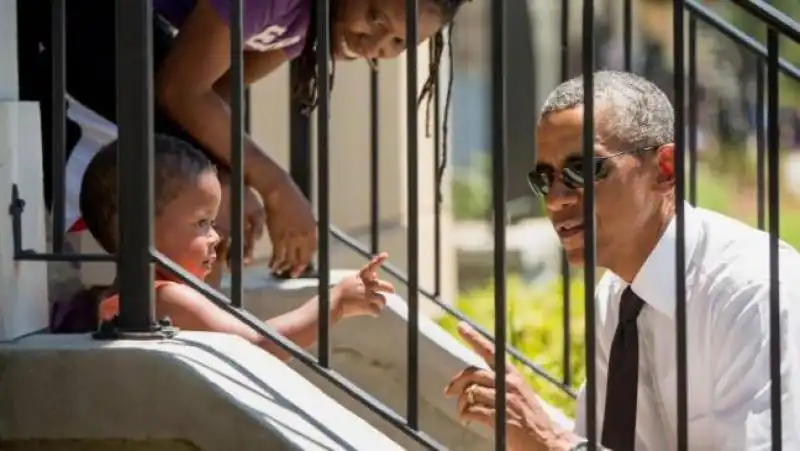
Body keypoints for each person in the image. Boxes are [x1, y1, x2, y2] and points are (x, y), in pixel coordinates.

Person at [444, 71, 800, 450]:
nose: (555, 199)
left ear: (665, 169)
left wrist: (550, 443)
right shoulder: (616, 297)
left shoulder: (753, 292)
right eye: (544, 179)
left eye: (583, 170)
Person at [16, 0, 468, 277]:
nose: (374, 45)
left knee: (206, 188)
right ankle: (153, 309)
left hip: (121, 34)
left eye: (397, 43)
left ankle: (183, 315)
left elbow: (214, 90)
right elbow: (179, 88)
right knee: (201, 187)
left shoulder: (307, 20)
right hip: (81, 14)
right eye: (374, 16)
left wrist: (229, 177)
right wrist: (271, 186)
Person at [54, 134, 393, 361]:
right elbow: (255, 345)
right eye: (202, 222)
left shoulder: (117, 296)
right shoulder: (164, 297)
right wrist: (334, 302)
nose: (217, 236)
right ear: (138, 228)